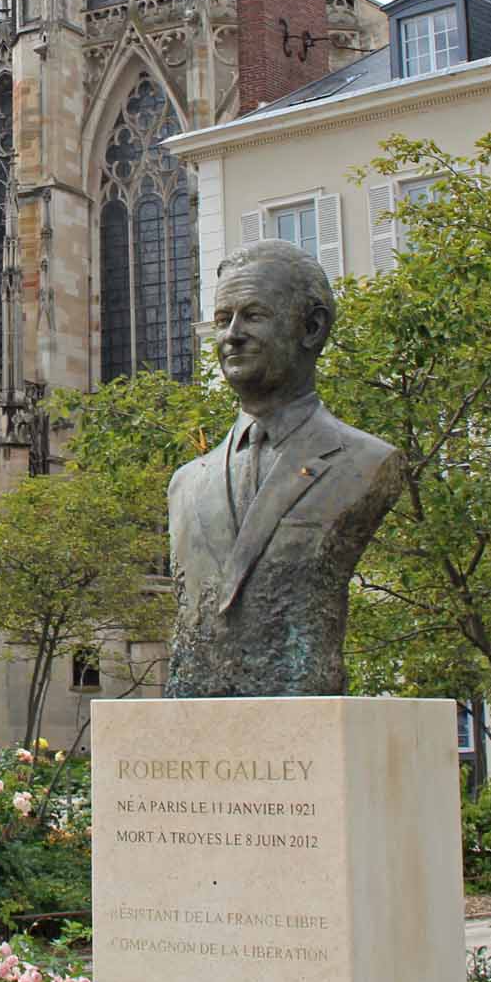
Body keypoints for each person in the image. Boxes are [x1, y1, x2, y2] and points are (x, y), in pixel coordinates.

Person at [163, 239, 402, 697]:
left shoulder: (367, 461)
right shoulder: (187, 483)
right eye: (221, 319)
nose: (231, 334)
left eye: (253, 316)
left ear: (312, 328)